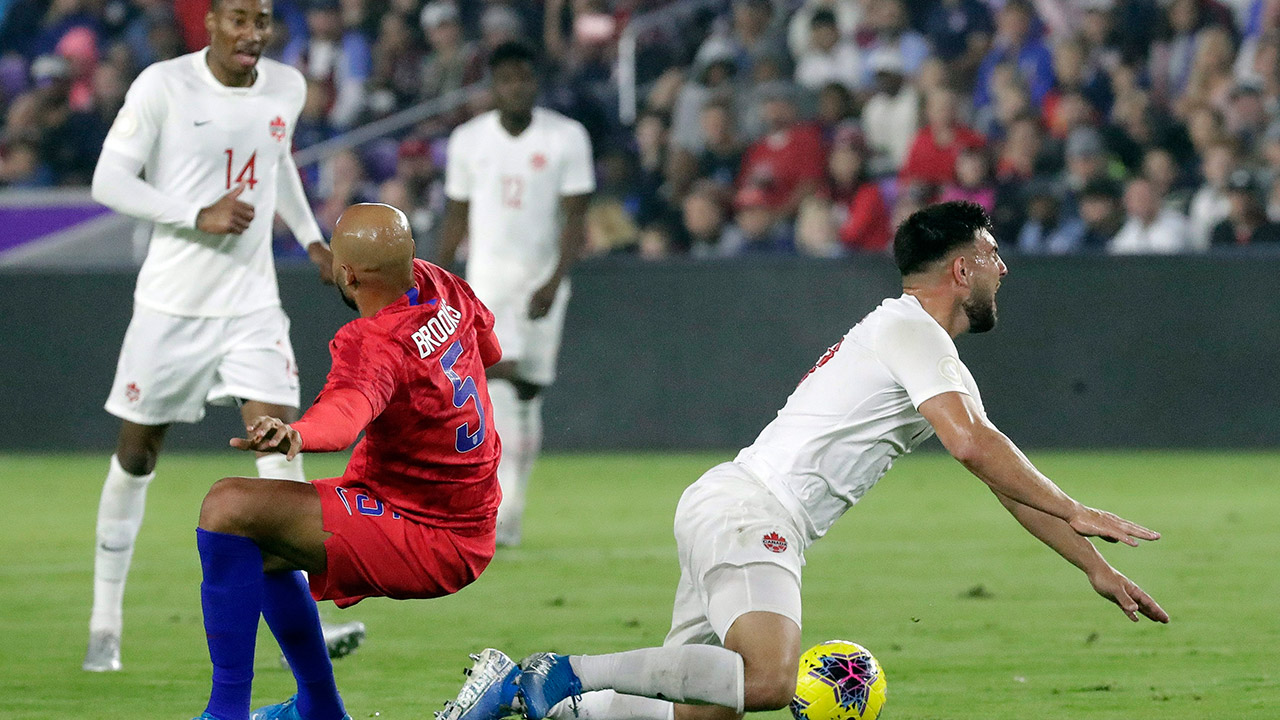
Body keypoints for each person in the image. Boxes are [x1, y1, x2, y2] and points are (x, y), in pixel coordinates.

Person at [441, 201, 1169, 720]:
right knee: (767, 678)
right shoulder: (910, 330)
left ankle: (527, 697)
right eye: (991, 254)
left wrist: (1093, 566)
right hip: (755, 512)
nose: (1002, 269)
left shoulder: (926, 351)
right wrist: (1076, 506)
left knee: (703, 711)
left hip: (729, 502)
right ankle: (552, 676)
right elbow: (974, 446)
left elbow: (1003, 481)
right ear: (959, 268)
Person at [83, 0, 367, 673]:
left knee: (281, 451)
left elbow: (276, 163)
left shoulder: (286, 87)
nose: (253, 32)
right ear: (208, 23)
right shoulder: (163, 87)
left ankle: (307, 621)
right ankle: (104, 622)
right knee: (136, 455)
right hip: (171, 308)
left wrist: (313, 241)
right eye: (238, 18)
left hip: (251, 307)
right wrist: (194, 213)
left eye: (262, 20)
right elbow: (108, 180)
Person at [194, 203, 503, 720]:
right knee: (257, 544)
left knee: (227, 507)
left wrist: (295, 432)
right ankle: (319, 708)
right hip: (457, 509)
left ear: (347, 273)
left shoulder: (373, 341)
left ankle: (227, 713)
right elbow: (488, 350)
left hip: (430, 531)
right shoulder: (442, 284)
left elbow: (344, 415)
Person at [437, 41, 594, 547]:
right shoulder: (468, 141)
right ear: (492, 85)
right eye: (506, 79)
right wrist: (436, 279)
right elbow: (456, 216)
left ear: (535, 83)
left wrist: (555, 280)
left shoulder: (567, 138)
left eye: (524, 78)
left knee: (526, 394)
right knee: (491, 389)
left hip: (540, 283)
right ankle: (497, 510)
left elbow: (576, 217)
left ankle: (514, 506)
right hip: (485, 283)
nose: (516, 88)